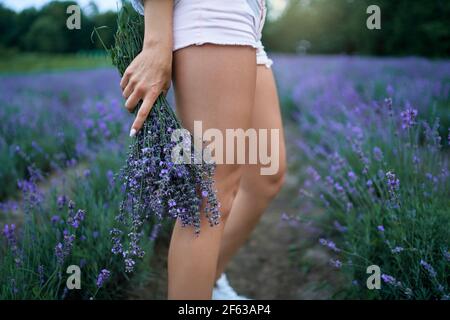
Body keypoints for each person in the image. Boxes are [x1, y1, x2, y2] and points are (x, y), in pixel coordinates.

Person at [122, 0, 286, 299]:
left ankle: (206, 282)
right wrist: (157, 41)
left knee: (266, 174)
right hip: (213, 11)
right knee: (208, 194)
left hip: (249, 15)